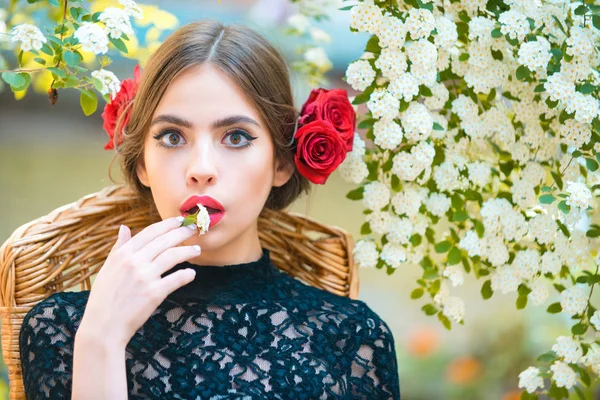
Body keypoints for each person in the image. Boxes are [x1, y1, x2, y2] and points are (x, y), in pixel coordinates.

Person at [18, 19, 401, 399]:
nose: (201, 169)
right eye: (172, 137)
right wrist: (101, 339)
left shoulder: (353, 340)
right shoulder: (64, 329)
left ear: (281, 164)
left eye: (236, 137)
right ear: (141, 164)